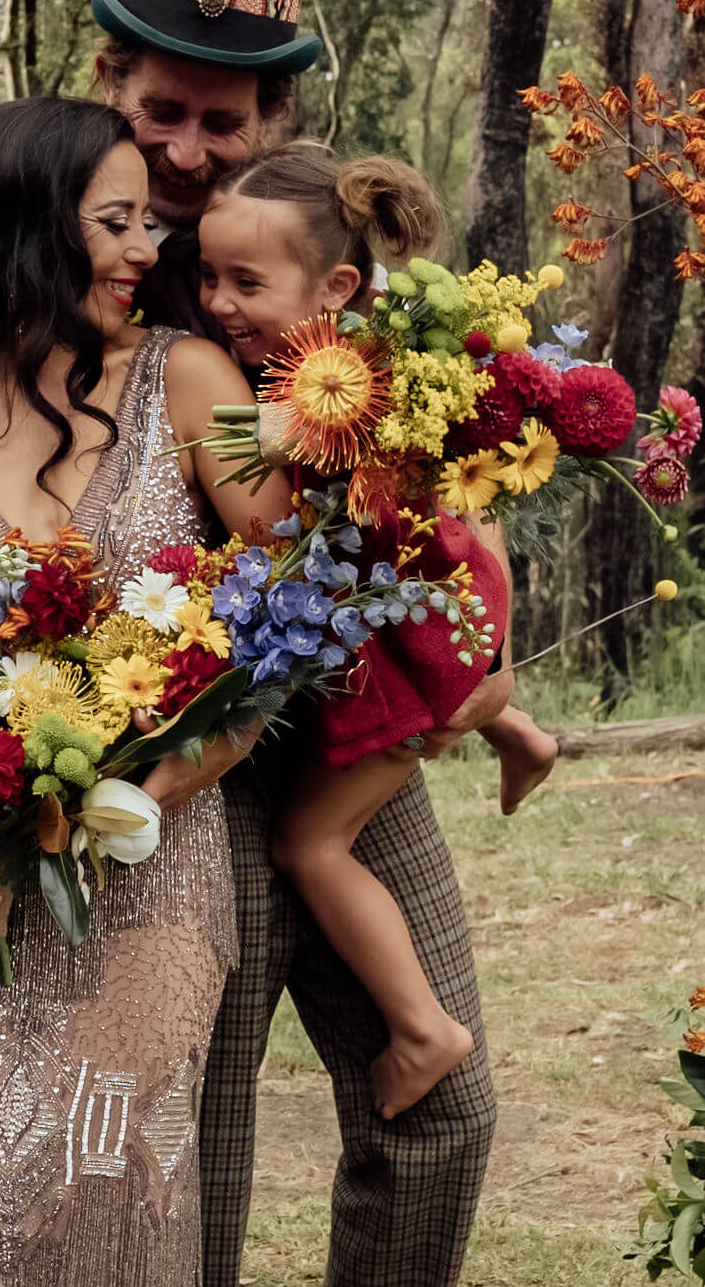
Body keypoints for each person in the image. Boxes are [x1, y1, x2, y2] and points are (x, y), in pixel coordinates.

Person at [91, 0, 515, 1287]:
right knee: (191, 1140)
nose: (187, 148)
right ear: (110, 83)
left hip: (332, 712)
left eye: (225, 123)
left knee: (440, 1102)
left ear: (272, 120)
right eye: (165, 110)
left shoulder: (314, 266)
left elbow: (432, 448)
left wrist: (452, 627)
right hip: (167, 741)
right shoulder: (60, 234)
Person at [0, 97, 292, 1286]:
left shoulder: (186, 380)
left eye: (148, 222)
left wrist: (166, 783)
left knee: (116, 1202)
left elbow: (283, 610)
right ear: (23, 227)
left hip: (149, 869)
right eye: (116, 221)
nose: (151, 247)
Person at [197, 140, 558, 1119]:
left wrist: (243, 432)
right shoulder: (364, 353)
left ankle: (419, 1028)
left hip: (417, 647)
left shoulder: (334, 382)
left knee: (310, 846)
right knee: (456, 695)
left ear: (335, 285)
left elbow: (282, 510)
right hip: (439, 617)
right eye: (207, 277)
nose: (219, 302)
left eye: (244, 281)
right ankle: (522, 735)